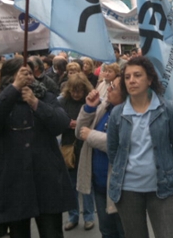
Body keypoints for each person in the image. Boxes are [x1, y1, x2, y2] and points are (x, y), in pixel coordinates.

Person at [0, 58, 76, 238]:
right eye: (22, 74)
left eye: (30, 73)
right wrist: (14, 89)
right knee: (18, 233)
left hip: (46, 177)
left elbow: (61, 123)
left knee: (51, 232)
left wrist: (36, 104)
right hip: (14, 181)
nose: (28, 78)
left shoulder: (45, 96)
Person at [106, 56, 173, 238]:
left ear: (149, 79)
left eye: (137, 75)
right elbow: (113, 150)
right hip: (127, 191)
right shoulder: (118, 113)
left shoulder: (168, 109)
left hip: (162, 188)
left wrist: (168, 167)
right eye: (127, 77)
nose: (132, 81)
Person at [76, 77, 126, 238]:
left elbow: (121, 145)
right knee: (107, 232)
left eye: (114, 87)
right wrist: (89, 108)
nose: (109, 89)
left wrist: (92, 136)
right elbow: (79, 132)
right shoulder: (104, 107)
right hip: (99, 185)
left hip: (120, 188)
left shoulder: (130, 112)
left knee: (125, 231)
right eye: (110, 85)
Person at [59, 73, 96, 231]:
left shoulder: (90, 103)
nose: (76, 94)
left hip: (85, 146)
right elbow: (56, 120)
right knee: (71, 184)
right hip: (68, 146)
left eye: (79, 91)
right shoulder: (62, 102)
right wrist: (67, 123)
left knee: (86, 183)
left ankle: (89, 216)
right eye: (73, 91)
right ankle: (73, 216)